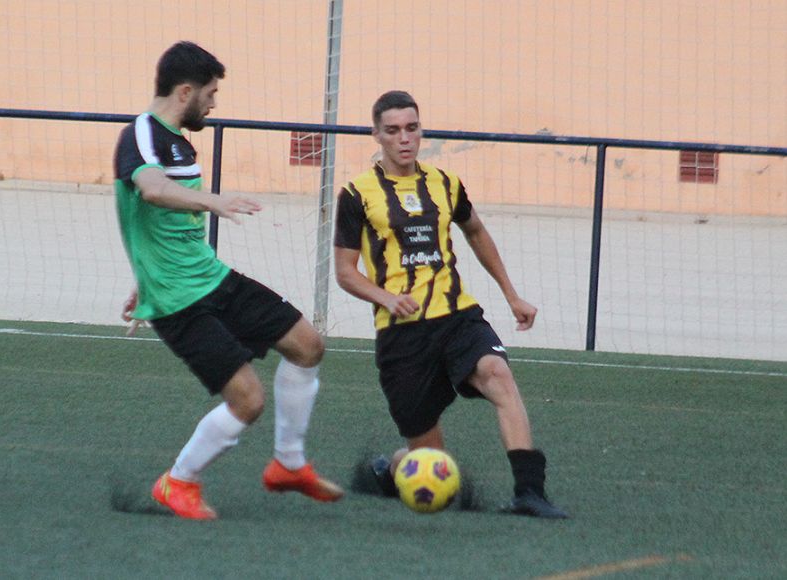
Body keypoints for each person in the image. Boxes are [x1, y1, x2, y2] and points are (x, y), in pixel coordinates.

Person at [114, 41, 343, 520]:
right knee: (248, 399)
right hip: (179, 301)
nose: (214, 104)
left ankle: (289, 464)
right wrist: (213, 202)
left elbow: (151, 225)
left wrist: (144, 272)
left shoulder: (176, 139)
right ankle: (178, 482)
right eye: (211, 94)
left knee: (308, 345)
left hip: (209, 278)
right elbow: (152, 192)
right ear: (185, 91)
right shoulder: (141, 135)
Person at [333, 90, 567, 518]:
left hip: (457, 316)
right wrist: (388, 297)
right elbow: (346, 272)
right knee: (433, 466)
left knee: (498, 372)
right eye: (393, 131)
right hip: (402, 337)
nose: (404, 138)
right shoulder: (356, 194)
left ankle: (530, 493)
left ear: (421, 130)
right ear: (376, 135)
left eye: (412, 128)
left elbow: (475, 231)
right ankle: (392, 469)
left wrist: (511, 294)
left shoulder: (445, 183)